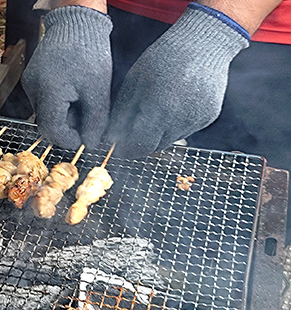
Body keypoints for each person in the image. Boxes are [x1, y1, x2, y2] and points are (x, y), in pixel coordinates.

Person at [21, 0, 291, 242]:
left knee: (238, 216)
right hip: (116, 17)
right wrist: (75, 16)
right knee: (93, 136)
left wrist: (219, 30)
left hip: (262, 38)